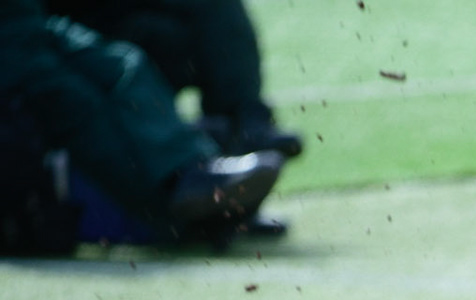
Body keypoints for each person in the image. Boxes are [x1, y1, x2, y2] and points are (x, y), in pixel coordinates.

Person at [0, 0, 280, 240]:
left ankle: (218, 156)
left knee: (126, 64)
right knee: (74, 101)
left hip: (32, 22)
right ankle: (182, 205)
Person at [44, 0, 301, 157]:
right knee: (139, 52)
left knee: (208, 27)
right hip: (65, 32)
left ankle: (242, 137)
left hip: (118, 16)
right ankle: (207, 165)